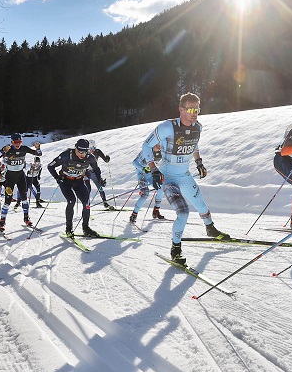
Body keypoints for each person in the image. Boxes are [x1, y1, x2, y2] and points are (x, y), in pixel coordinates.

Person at [139, 93, 229, 265]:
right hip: (169, 178)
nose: (194, 113)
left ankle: (210, 229)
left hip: (185, 175)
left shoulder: (198, 127)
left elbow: (194, 144)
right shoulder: (168, 127)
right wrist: (153, 169)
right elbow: (146, 145)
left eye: (197, 109)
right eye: (190, 109)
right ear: (181, 109)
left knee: (202, 205)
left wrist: (199, 163)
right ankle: (176, 249)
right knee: (183, 212)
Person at [47, 138, 104, 238]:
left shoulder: (90, 157)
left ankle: (86, 228)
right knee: (71, 201)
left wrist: (100, 179)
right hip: (66, 181)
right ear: (75, 148)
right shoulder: (66, 155)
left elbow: (96, 168)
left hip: (78, 181)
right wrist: (57, 178)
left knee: (87, 203)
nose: (82, 154)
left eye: (85, 152)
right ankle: (68, 229)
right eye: (80, 151)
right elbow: (50, 166)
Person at [0, 133, 42, 233]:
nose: (18, 144)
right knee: (8, 200)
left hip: (21, 177)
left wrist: (38, 148)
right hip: (10, 178)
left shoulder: (24, 148)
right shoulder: (8, 150)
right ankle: (2, 222)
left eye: (20, 142)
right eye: (16, 142)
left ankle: (26, 218)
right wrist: (2, 151)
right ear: (11, 142)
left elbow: (39, 154)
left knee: (24, 199)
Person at [128, 152, 165, 224]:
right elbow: (134, 162)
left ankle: (156, 211)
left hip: (151, 175)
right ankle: (134, 214)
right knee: (145, 193)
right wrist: (143, 169)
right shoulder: (145, 151)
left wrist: (161, 175)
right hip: (142, 175)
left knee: (160, 188)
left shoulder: (161, 152)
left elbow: (160, 166)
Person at [86, 140, 117, 211]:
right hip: (86, 172)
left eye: (94, 148)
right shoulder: (85, 154)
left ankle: (105, 202)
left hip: (94, 172)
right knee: (88, 188)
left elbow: (105, 160)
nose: (92, 150)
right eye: (91, 148)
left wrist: (107, 159)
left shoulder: (97, 152)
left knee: (100, 187)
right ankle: (87, 205)